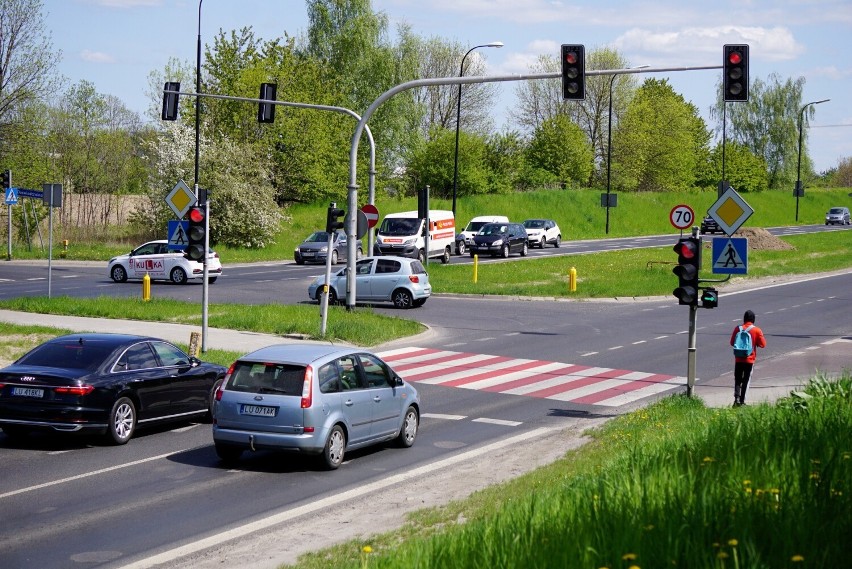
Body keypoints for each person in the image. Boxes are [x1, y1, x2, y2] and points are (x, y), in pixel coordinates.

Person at [730, 309, 767, 406]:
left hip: (738, 358)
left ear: (744, 318)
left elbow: (732, 343)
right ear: (753, 319)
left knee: (737, 379)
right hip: (749, 359)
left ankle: (736, 399)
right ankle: (742, 402)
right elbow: (763, 345)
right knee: (746, 380)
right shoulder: (756, 330)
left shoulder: (737, 328)